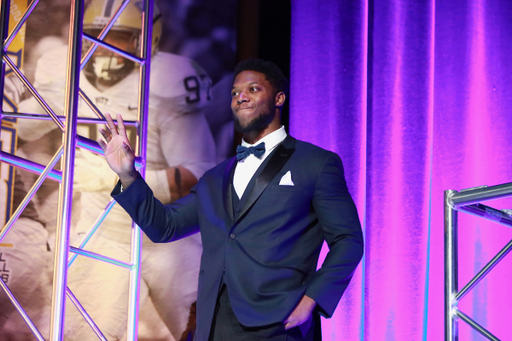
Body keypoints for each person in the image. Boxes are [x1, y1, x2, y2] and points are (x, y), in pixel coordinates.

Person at [100, 59, 364, 341]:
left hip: (280, 323)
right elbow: (165, 227)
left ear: (279, 98)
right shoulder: (215, 178)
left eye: (253, 89)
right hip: (215, 325)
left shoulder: (315, 163)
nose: (241, 97)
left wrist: (312, 300)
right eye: (235, 92)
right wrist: (128, 176)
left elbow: (348, 240)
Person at [13, 0, 216, 339]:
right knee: (83, 334)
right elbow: (16, 127)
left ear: (146, 38)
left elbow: (200, 175)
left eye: (118, 36)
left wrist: (115, 178)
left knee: (209, 329)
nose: (103, 45)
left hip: (167, 232)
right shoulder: (66, 72)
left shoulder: (167, 81)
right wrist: (49, 101)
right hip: (100, 233)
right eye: (94, 34)